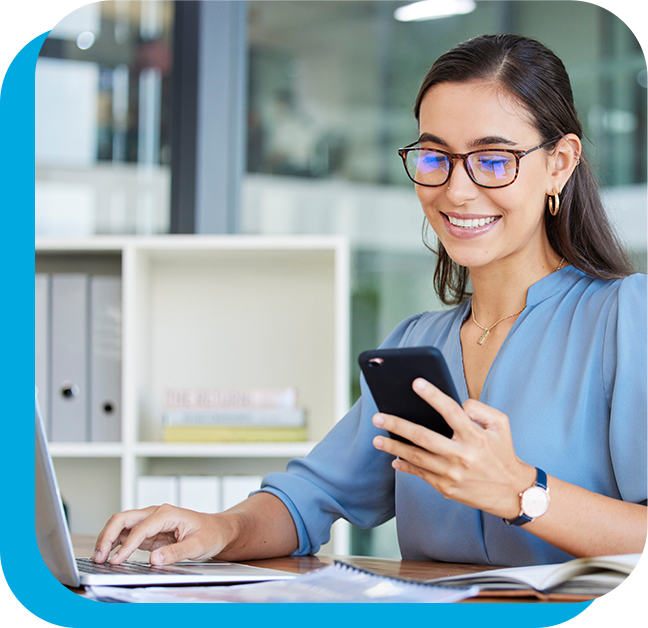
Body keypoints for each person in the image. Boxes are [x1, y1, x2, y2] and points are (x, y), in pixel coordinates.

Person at [93, 34, 648, 569]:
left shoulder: (626, 318)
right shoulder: (415, 343)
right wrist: (222, 529)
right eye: (435, 158)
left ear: (560, 162)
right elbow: (310, 497)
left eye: (494, 159)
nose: (456, 190)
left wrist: (521, 493)